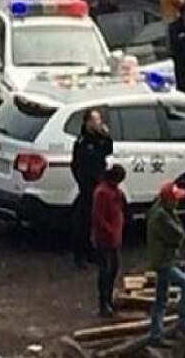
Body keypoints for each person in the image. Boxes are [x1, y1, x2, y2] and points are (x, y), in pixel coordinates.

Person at [146, 182, 185, 347]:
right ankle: (182, 324)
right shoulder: (162, 216)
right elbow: (179, 235)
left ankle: (156, 334)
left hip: (163, 259)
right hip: (164, 261)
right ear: (169, 200)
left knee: (161, 299)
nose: (178, 202)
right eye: (175, 199)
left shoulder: (161, 210)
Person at [71, 109, 113, 268]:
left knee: (96, 221)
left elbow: (108, 150)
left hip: (99, 184)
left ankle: (91, 252)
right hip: (87, 187)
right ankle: (79, 255)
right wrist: (83, 184)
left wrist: (107, 136)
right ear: (88, 122)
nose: (99, 123)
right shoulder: (82, 142)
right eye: (96, 120)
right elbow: (76, 165)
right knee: (83, 221)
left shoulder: (100, 138)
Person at [91, 165, 127, 318]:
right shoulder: (102, 193)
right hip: (104, 239)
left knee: (113, 268)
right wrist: (110, 231)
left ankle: (109, 299)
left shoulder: (115, 192)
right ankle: (103, 303)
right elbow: (98, 217)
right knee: (105, 270)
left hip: (114, 237)